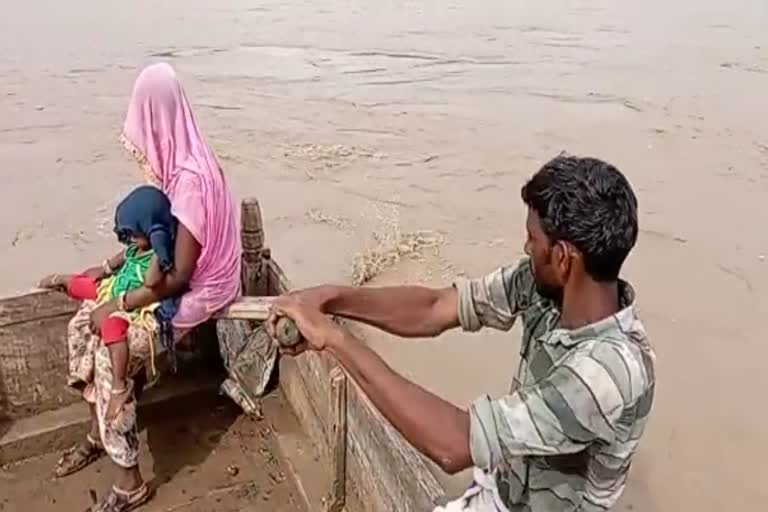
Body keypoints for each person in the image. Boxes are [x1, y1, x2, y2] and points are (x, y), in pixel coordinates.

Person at [269, 155, 656, 512]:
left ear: (562, 257)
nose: (526, 246)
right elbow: (435, 309)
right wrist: (332, 299)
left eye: (533, 238)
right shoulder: (544, 290)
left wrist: (334, 339)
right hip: (506, 489)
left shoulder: (604, 375)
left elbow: (453, 445)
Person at [39, 62, 242, 512]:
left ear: (157, 121)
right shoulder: (187, 161)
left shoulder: (189, 182)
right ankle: (100, 429)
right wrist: (110, 268)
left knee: (112, 358)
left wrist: (120, 301)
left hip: (198, 290)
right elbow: (156, 241)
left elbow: (179, 276)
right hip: (175, 279)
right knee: (81, 326)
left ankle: (129, 481)